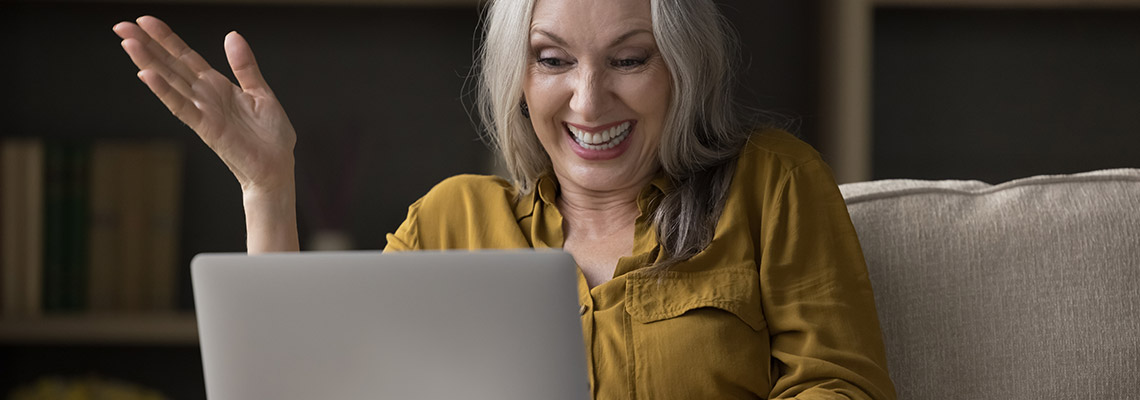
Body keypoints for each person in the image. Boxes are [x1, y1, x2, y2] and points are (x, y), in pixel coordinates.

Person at [113, 0, 897, 398]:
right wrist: (267, 186)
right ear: (518, 80)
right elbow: (307, 390)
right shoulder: (452, 219)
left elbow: (841, 389)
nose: (589, 102)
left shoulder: (773, 183)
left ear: (682, 69)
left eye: (629, 59)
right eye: (553, 60)